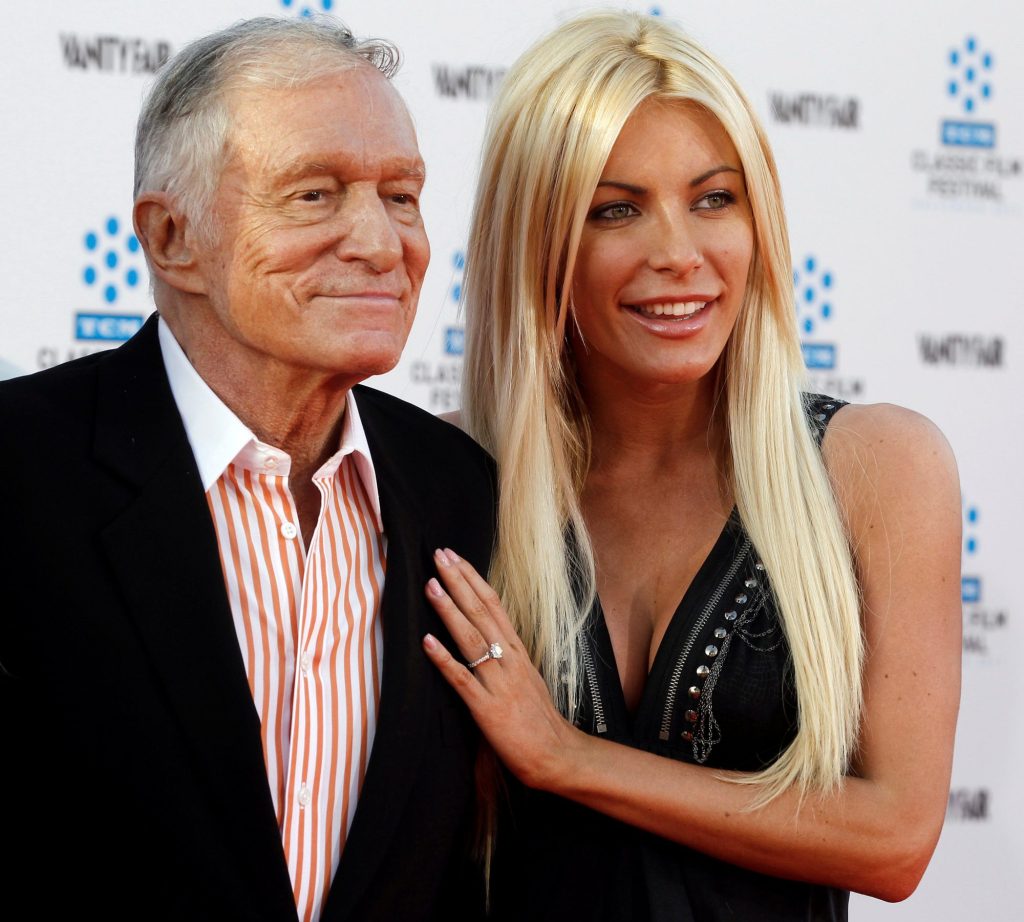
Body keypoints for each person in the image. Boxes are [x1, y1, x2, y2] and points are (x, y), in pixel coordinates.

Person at [420, 10, 961, 921]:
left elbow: (896, 838)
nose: (679, 254)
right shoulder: (447, 472)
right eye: (615, 210)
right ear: (538, 241)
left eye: (715, 199)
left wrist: (569, 758)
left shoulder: (876, 468)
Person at [0, 17, 495, 922]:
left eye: (402, 196)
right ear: (172, 236)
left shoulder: (462, 491)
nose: (382, 244)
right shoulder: (17, 471)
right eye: (314, 195)